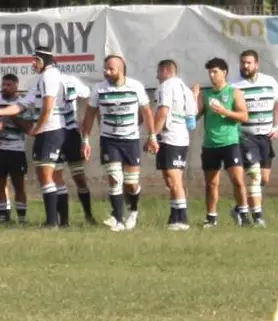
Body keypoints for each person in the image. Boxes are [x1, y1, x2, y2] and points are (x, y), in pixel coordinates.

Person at [79, 54, 151, 232]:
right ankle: (118, 219)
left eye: (110, 69)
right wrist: (85, 140)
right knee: (114, 179)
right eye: (105, 68)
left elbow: (147, 112)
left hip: (131, 140)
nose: (106, 72)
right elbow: (89, 115)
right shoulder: (98, 89)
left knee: (131, 183)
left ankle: (133, 211)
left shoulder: (136, 87)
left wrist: (153, 136)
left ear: (121, 69)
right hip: (109, 140)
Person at [233, 48, 278, 227]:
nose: (245, 66)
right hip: (245, 137)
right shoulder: (234, 85)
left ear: (256, 64)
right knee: (254, 176)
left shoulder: (269, 82)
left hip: (265, 137)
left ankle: (239, 209)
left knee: (264, 179)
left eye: (248, 63)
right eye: (242, 62)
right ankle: (257, 218)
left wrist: (277, 126)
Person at [196, 57, 249, 227]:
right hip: (210, 144)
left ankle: (243, 213)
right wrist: (193, 98)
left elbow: (244, 116)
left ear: (224, 73)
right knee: (211, 183)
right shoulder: (206, 95)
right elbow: (193, 116)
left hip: (230, 143)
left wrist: (226, 112)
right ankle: (211, 217)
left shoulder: (234, 93)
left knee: (238, 181)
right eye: (210, 72)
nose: (212, 75)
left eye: (215, 71)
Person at [25, 48, 70, 227]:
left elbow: (48, 105)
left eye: (35, 60)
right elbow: (24, 103)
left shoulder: (48, 76)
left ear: (44, 60)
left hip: (50, 130)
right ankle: (63, 222)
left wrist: (38, 127)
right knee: (56, 175)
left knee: (45, 174)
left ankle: (52, 222)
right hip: (57, 129)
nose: (32, 64)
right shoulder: (48, 76)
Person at [148, 58, 193, 231]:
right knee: (171, 179)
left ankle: (182, 219)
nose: (157, 76)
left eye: (158, 72)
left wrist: (153, 135)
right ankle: (174, 216)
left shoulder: (166, 87)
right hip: (182, 137)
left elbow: (163, 111)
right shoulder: (185, 88)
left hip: (171, 137)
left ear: (165, 71)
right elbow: (191, 116)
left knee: (174, 180)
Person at [0, 72, 31, 224]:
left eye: (9, 85)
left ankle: (22, 219)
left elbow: (29, 128)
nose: (5, 88)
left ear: (16, 87)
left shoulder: (24, 104)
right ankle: (3, 220)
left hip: (16, 150)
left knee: (19, 185)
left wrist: (14, 116)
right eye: (3, 85)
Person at [59, 67, 97, 224]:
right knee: (55, 177)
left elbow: (87, 94)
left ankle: (89, 216)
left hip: (71, 134)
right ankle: (63, 220)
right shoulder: (39, 83)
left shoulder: (70, 80)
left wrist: (83, 118)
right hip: (51, 134)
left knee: (79, 177)